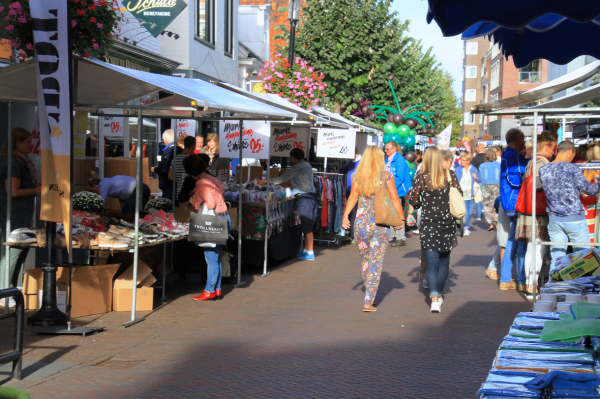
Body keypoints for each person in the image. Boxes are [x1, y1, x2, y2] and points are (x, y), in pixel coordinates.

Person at [342, 146, 405, 312]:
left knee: (365, 261)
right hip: (380, 225)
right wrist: (401, 218)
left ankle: (369, 292)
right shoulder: (386, 176)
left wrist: (345, 216)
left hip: (361, 224)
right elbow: (394, 199)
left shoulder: (358, 177)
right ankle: (368, 301)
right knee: (376, 263)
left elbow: (353, 197)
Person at [412, 147, 461, 313]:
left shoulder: (421, 178)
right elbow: (459, 194)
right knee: (443, 262)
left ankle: (433, 298)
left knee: (431, 262)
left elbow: (415, 201)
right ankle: (438, 295)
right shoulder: (450, 176)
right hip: (447, 223)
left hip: (429, 224)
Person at [539, 140, 600, 271]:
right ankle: (581, 287)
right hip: (575, 219)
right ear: (569, 152)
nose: (573, 158)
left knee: (557, 257)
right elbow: (589, 190)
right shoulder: (573, 168)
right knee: (583, 257)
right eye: (573, 155)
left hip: (555, 219)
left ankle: (554, 288)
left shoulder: (543, 169)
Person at [183, 156, 231, 301]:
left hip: (212, 222)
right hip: (222, 219)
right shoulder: (212, 179)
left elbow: (209, 204)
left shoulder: (202, 183)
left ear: (190, 173)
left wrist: (195, 202)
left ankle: (209, 290)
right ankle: (216, 289)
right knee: (215, 257)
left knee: (211, 258)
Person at [257, 148, 318, 260]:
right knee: (307, 225)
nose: (290, 160)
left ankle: (310, 252)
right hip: (313, 196)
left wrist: (265, 182)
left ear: (294, 157)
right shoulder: (308, 166)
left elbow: (282, 178)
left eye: (291, 157)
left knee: (307, 226)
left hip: (304, 197)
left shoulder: (296, 168)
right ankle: (305, 250)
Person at [515, 131, 556, 294]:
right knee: (538, 247)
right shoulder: (542, 163)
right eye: (552, 148)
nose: (554, 152)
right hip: (537, 212)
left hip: (529, 209)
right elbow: (540, 186)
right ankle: (533, 284)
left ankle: (530, 283)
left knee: (533, 247)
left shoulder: (531, 162)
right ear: (546, 147)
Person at [0, 128, 40, 290]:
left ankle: (14, 291)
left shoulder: (21, 162)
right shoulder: (14, 163)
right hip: (14, 215)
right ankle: (4, 291)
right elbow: (13, 191)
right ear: (18, 143)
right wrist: (37, 190)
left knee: (21, 251)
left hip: (21, 214)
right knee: (14, 251)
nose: (31, 145)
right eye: (28, 142)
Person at [498, 128, 528, 291]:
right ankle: (521, 280)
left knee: (513, 240)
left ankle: (505, 279)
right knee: (520, 240)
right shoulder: (513, 156)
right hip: (516, 202)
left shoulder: (507, 154)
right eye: (523, 138)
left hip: (510, 202)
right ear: (518, 138)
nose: (524, 141)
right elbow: (515, 178)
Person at [384, 141, 412, 247]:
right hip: (390, 190)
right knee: (391, 213)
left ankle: (400, 237)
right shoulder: (387, 160)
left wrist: (390, 188)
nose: (385, 151)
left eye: (387, 149)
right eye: (385, 149)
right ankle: (391, 236)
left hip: (397, 191)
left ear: (394, 149)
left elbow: (400, 177)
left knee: (397, 213)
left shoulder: (400, 160)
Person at [336, 147, 361, 242]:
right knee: (350, 213)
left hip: (357, 191)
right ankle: (351, 234)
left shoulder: (362, 162)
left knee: (354, 213)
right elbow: (343, 169)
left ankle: (354, 236)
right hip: (349, 190)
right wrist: (328, 174)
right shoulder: (351, 163)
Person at [454, 152, 481, 237]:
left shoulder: (473, 169)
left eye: (464, 160)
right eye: (461, 160)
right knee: (465, 213)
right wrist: (458, 188)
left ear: (468, 161)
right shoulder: (458, 169)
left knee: (469, 213)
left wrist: (476, 177)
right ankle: (466, 228)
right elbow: (454, 179)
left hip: (471, 194)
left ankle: (462, 225)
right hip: (462, 194)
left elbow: (480, 179)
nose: (461, 161)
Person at [151, 129, 181, 201]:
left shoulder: (168, 151)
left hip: (168, 185)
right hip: (179, 184)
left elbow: (164, 170)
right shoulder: (180, 149)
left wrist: (155, 169)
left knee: (168, 207)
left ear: (164, 140)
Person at [582, 141, 600, 242]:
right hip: (594, 201)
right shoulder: (589, 167)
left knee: (590, 229)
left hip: (588, 200)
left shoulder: (585, 167)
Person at [169, 136, 196, 202]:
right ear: (193, 145)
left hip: (179, 192)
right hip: (192, 192)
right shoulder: (193, 159)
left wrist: (179, 180)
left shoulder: (175, 158)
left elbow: (170, 176)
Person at [479, 148, 501, 231]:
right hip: (496, 186)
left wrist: (480, 190)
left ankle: (490, 223)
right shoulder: (499, 165)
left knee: (487, 206)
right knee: (496, 205)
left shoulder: (482, 166)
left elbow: (480, 179)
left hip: (486, 187)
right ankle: (497, 219)